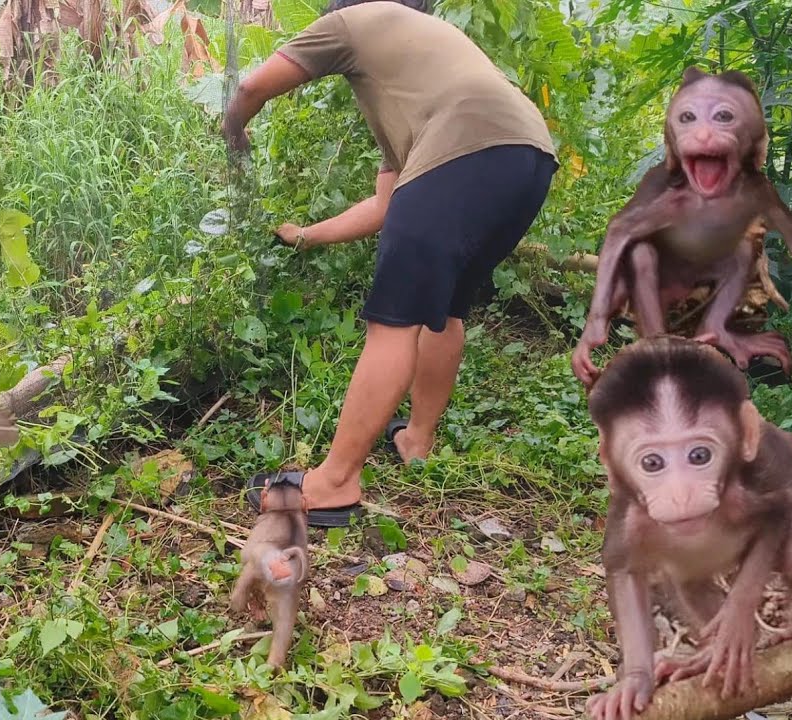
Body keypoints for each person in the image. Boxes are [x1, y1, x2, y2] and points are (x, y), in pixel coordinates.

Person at [224, 0, 558, 527]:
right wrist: (306, 237)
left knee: (393, 321)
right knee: (445, 310)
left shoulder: (353, 20)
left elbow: (251, 88)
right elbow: (386, 205)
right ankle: (417, 439)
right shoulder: (422, 66)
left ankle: (333, 483)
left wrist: (233, 129)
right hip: (529, 157)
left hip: (462, 149)